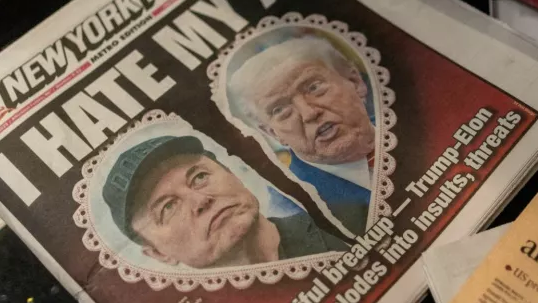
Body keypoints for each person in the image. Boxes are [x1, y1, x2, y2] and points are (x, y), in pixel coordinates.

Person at [101, 134, 349, 269]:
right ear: (158, 253)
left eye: (199, 177)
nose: (201, 200)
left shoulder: (348, 222)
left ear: (232, 174)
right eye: (168, 207)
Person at [228, 35, 375, 235]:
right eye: (280, 110)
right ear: (272, 133)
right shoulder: (290, 209)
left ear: (355, 81)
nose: (309, 113)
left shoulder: (407, 114)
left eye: (313, 87)